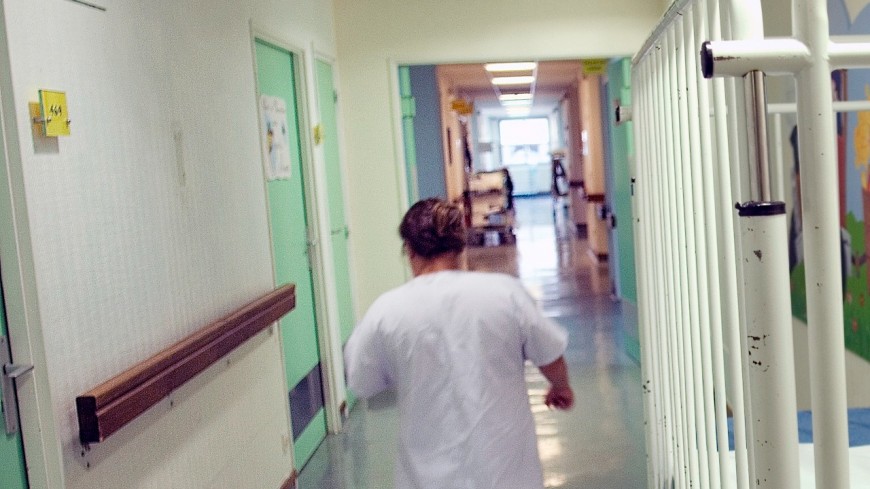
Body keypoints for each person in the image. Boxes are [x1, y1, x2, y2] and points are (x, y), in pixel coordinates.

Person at [344, 197, 574, 489]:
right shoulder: (504, 294)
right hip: (505, 471)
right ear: (460, 245)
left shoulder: (387, 310)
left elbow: (363, 381)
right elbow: (550, 356)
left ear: (409, 250)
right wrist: (560, 387)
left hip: (427, 477)